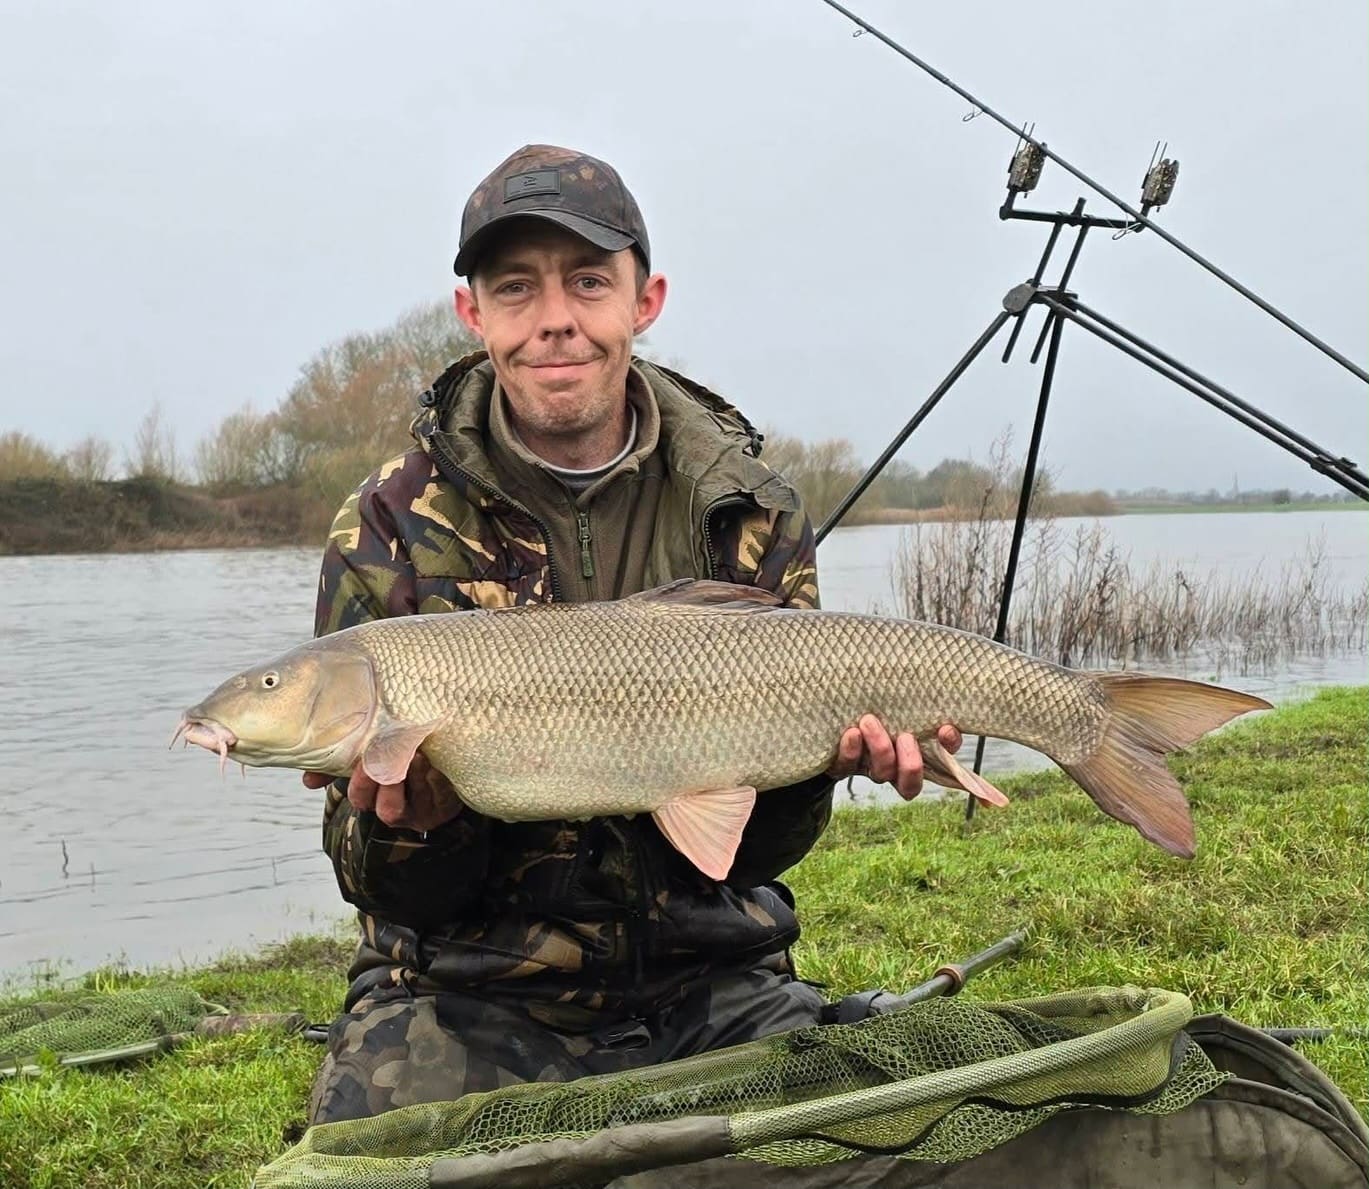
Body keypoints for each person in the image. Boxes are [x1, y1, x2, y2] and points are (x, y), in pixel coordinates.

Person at [302, 143, 962, 1126]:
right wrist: (420, 825)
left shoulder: (747, 510)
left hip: (712, 971)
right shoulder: (391, 523)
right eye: (515, 288)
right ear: (471, 313)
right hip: (467, 989)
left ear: (643, 300)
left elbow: (749, 851)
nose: (554, 319)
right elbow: (380, 884)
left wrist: (827, 766)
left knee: (892, 1140)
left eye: (587, 282)